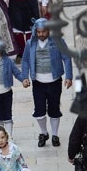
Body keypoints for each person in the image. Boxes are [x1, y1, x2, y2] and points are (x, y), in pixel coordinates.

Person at [21, 18, 73, 147]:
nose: (41, 34)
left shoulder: (58, 41)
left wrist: (69, 76)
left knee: (54, 108)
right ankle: (43, 133)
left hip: (54, 81)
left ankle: (55, 134)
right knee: (39, 110)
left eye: (44, 32)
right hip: (38, 82)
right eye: (39, 32)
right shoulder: (30, 43)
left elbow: (66, 57)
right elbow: (25, 60)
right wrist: (25, 77)